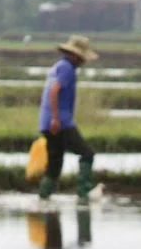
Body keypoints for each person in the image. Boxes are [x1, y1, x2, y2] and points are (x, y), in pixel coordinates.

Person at [38, 35, 98, 201]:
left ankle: (43, 198)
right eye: (81, 57)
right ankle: (83, 195)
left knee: (54, 165)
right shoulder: (67, 69)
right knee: (87, 153)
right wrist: (56, 119)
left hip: (46, 121)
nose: (83, 61)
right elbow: (54, 91)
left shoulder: (58, 66)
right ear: (75, 55)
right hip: (60, 122)